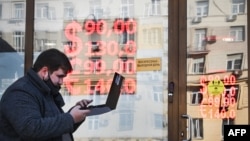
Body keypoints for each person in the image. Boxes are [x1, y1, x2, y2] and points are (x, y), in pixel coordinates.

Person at [0, 48, 92, 141]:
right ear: (44, 71)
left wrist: (76, 115)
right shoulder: (20, 92)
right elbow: (31, 129)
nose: (61, 82)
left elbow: (54, 129)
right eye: (59, 76)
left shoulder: (46, 90)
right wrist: (71, 118)